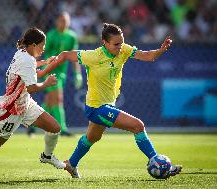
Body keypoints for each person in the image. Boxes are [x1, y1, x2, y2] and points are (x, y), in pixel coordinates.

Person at [50, 23, 183, 178]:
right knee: (138, 125)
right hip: (96, 108)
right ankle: (159, 163)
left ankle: (71, 164)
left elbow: (148, 56)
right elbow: (65, 55)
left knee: (92, 138)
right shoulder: (93, 56)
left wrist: (160, 51)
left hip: (107, 104)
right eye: (116, 44)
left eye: (121, 42)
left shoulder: (124, 49)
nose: (120, 47)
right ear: (104, 42)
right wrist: (48, 67)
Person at [0, 27, 66, 182]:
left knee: (54, 128)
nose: (44, 48)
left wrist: (45, 62)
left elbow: (32, 72)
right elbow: (31, 87)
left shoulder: (23, 53)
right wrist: (46, 84)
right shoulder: (26, 59)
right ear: (33, 45)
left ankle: (47, 156)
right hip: (12, 109)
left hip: (25, 103)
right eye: (42, 45)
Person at [27, 12, 82, 137]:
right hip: (50, 71)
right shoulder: (51, 36)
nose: (64, 23)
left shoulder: (72, 36)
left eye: (66, 21)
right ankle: (62, 128)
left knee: (50, 102)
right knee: (58, 99)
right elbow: (42, 52)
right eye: (61, 21)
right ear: (57, 22)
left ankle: (32, 125)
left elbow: (75, 57)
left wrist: (77, 73)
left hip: (62, 73)